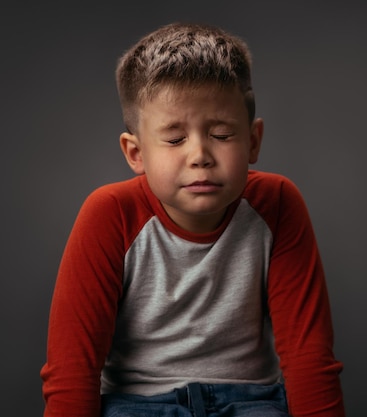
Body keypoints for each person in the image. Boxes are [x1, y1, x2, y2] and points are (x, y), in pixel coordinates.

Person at [40, 22, 344, 417]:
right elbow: (72, 370)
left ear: (253, 141)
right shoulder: (109, 214)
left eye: (221, 134)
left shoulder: (278, 204)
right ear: (135, 153)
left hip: (251, 402)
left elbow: (309, 357)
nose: (199, 154)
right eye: (174, 139)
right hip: (138, 405)